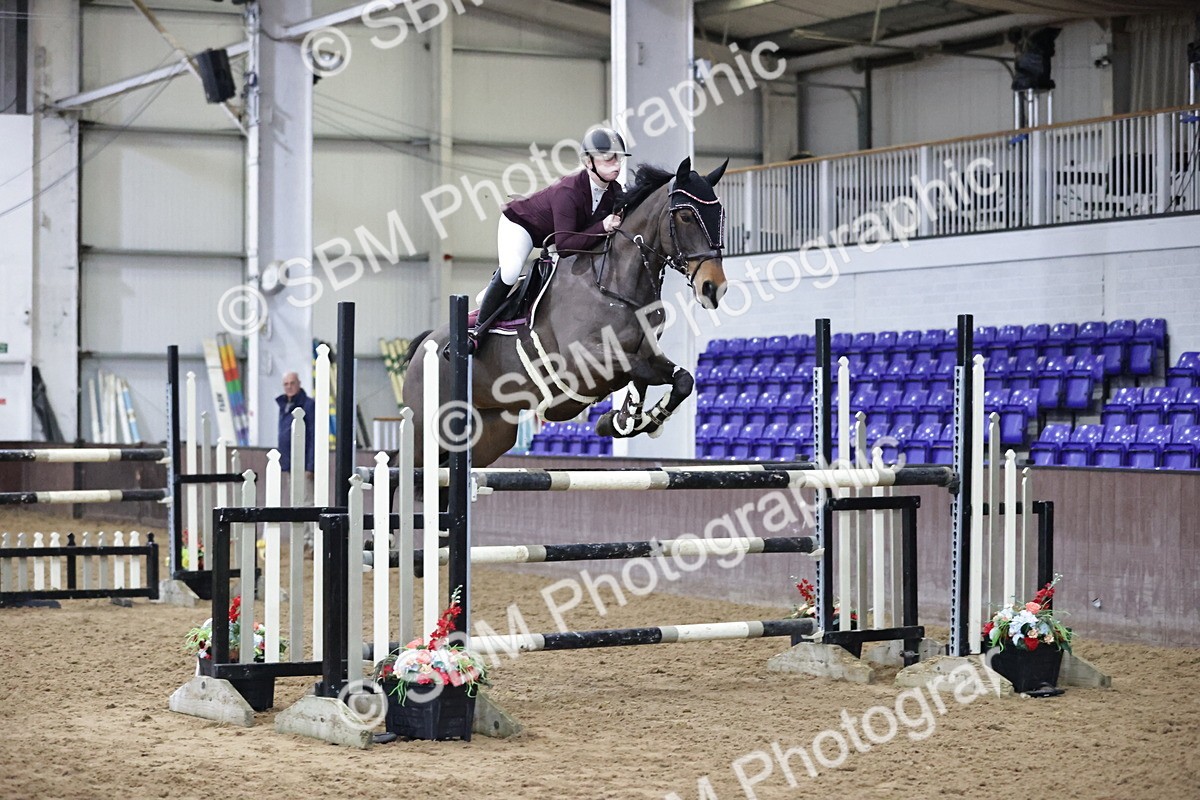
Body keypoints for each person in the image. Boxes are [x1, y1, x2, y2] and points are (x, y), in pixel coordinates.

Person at [469, 125, 630, 349]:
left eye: (619, 159)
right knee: (512, 269)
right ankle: (477, 331)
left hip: (554, 236)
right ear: (588, 162)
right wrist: (603, 226)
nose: (616, 165)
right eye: (608, 159)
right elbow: (565, 246)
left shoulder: (615, 192)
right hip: (522, 226)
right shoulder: (569, 191)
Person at [276, 371, 316, 506]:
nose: (289, 387)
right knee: (295, 502)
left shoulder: (308, 405)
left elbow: (313, 436)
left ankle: (310, 529)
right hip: (289, 464)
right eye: (286, 384)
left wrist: (310, 466)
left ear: (299, 384)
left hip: (303, 463)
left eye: (292, 383)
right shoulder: (284, 406)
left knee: (307, 502)